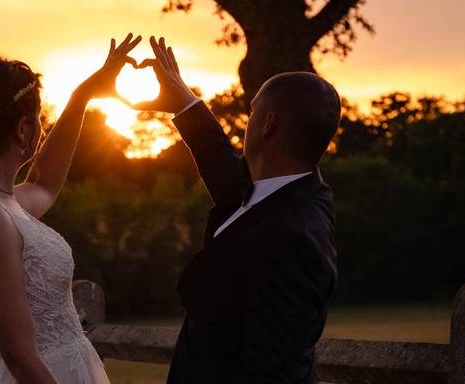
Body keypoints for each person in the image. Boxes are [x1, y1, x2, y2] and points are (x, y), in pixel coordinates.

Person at [135, 37, 340, 383]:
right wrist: (183, 102)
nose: (248, 121)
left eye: (252, 112)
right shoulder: (292, 195)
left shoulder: (292, 239)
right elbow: (232, 183)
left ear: (268, 124)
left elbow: (273, 372)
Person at [0, 34, 141, 384]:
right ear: (24, 129)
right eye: (40, 119)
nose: (42, 128)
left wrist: (82, 97)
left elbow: (43, 184)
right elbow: (21, 361)